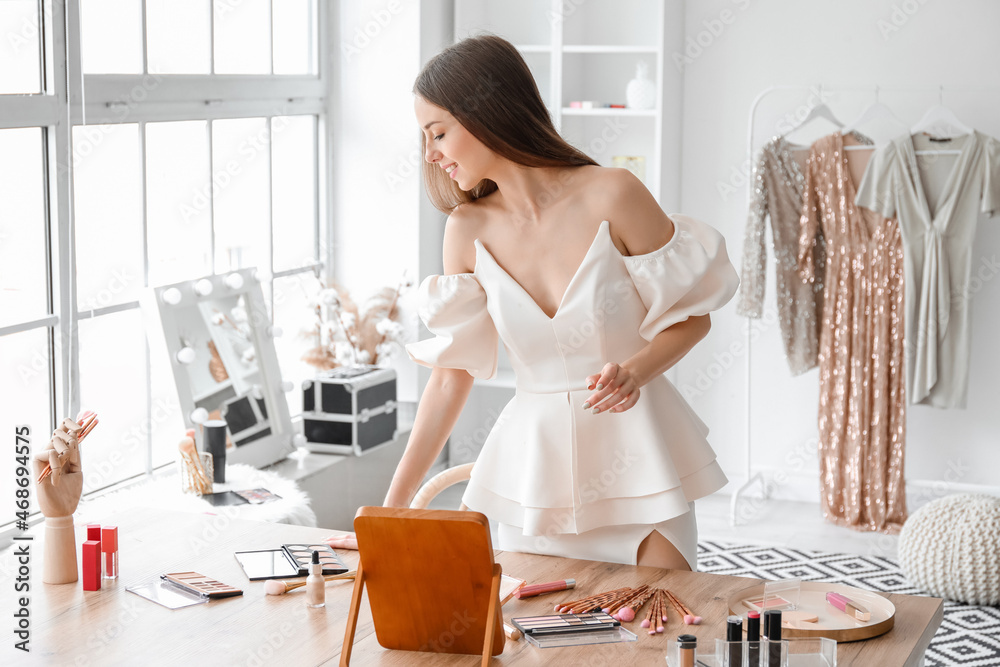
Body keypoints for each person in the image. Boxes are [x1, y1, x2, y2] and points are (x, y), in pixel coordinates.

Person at [326, 35, 739, 571]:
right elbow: (451, 377)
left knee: (656, 638)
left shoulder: (614, 194)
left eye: (438, 133)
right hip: (532, 483)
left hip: (640, 466)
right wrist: (387, 514)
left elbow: (692, 318)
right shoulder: (465, 230)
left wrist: (635, 371)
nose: (430, 154)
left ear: (485, 113)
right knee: (534, 647)